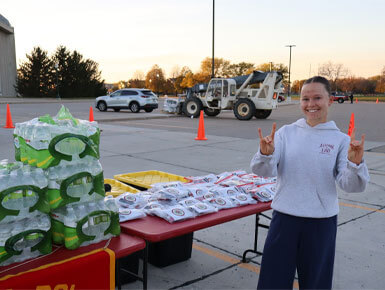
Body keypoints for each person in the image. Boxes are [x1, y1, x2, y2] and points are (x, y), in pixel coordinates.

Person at [250, 76, 369, 290]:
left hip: (321, 224)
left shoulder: (341, 140)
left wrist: (355, 163)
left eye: (317, 98)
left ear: (330, 100)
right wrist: (265, 155)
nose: (310, 104)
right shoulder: (286, 133)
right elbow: (263, 171)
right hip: (284, 220)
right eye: (305, 99)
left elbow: (351, 185)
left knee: (316, 283)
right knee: (272, 282)